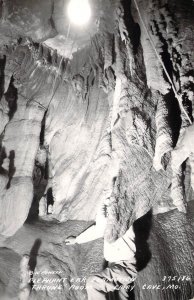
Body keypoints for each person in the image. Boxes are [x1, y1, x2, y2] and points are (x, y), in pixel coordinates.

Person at [65, 199, 137, 300]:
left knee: (93, 284)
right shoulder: (113, 204)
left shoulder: (123, 205)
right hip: (118, 266)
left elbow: (102, 227)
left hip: (125, 266)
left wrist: (106, 202)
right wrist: (77, 239)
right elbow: (99, 229)